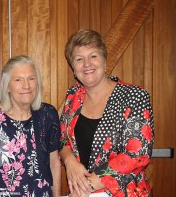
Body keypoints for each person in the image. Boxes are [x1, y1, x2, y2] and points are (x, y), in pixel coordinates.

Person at [59, 29, 154, 197]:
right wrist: (69, 160)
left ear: (104, 61)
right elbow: (62, 138)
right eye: (79, 59)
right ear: (73, 68)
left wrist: (86, 186)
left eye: (93, 56)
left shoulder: (133, 96)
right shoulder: (73, 96)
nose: (87, 64)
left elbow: (137, 155)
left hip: (124, 193)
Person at [0, 55, 61, 196]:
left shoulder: (47, 114)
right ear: (7, 86)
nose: (26, 85)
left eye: (31, 78)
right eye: (18, 80)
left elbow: (54, 162)